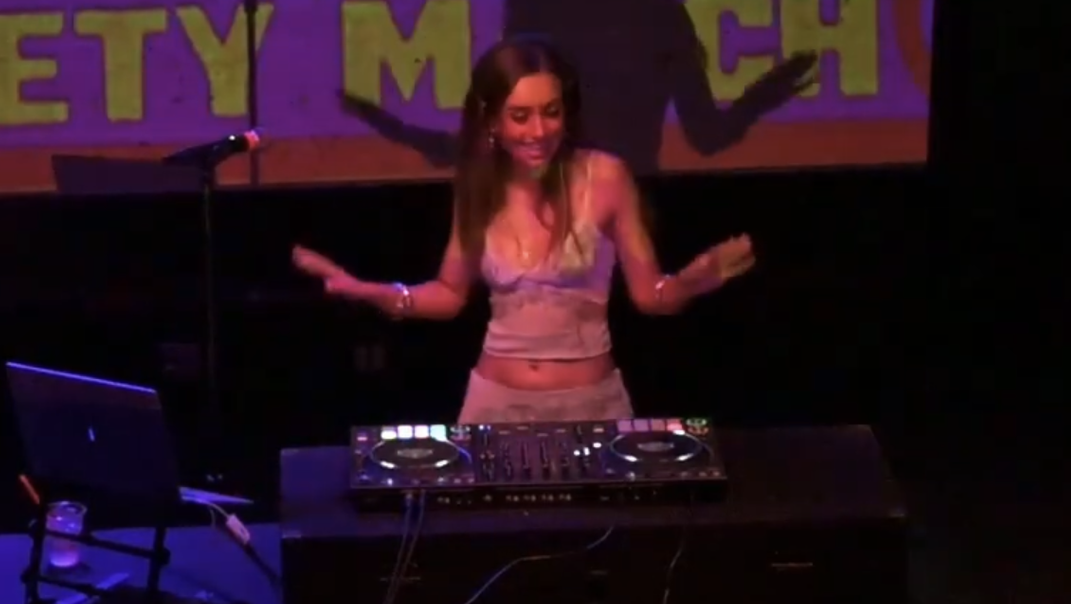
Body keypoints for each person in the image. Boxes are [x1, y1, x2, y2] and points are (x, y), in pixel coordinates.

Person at [291, 36, 769, 424]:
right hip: (495, 406)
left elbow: (651, 296)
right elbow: (450, 293)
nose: (539, 130)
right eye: (520, 116)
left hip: (592, 407)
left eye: (552, 112)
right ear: (492, 120)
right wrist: (370, 291)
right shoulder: (478, 185)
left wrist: (696, 277)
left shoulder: (605, 178)